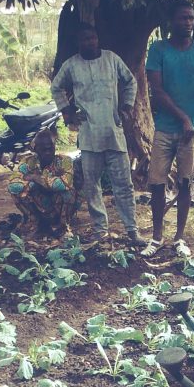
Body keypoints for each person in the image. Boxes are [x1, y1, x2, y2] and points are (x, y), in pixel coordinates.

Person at [51, 24, 145, 247]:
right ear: (78, 42)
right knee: (92, 185)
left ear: (97, 39)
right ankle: (100, 231)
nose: (89, 42)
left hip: (114, 132)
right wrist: (67, 112)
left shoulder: (111, 59)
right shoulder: (72, 65)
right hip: (89, 135)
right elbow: (56, 87)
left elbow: (131, 81)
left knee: (123, 184)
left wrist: (127, 107)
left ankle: (132, 231)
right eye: (84, 39)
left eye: (92, 38)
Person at [141, 0, 194, 259]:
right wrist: (183, 119)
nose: (189, 23)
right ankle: (157, 237)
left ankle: (179, 238)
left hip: (190, 130)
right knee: (157, 183)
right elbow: (157, 93)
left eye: (192, 18)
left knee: (184, 183)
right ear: (171, 21)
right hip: (166, 127)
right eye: (183, 18)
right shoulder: (158, 49)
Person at [7, 128, 79, 236]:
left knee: (70, 192)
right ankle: (36, 223)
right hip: (40, 205)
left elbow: (65, 183)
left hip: (58, 206)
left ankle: (64, 226)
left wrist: (36, 179)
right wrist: (37, 186)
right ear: (36, 149)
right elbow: (13, 185)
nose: (48, 153)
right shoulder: (27, 162)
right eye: (43, 150)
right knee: (17, 194)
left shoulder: (64, 161)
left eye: (51, 149)